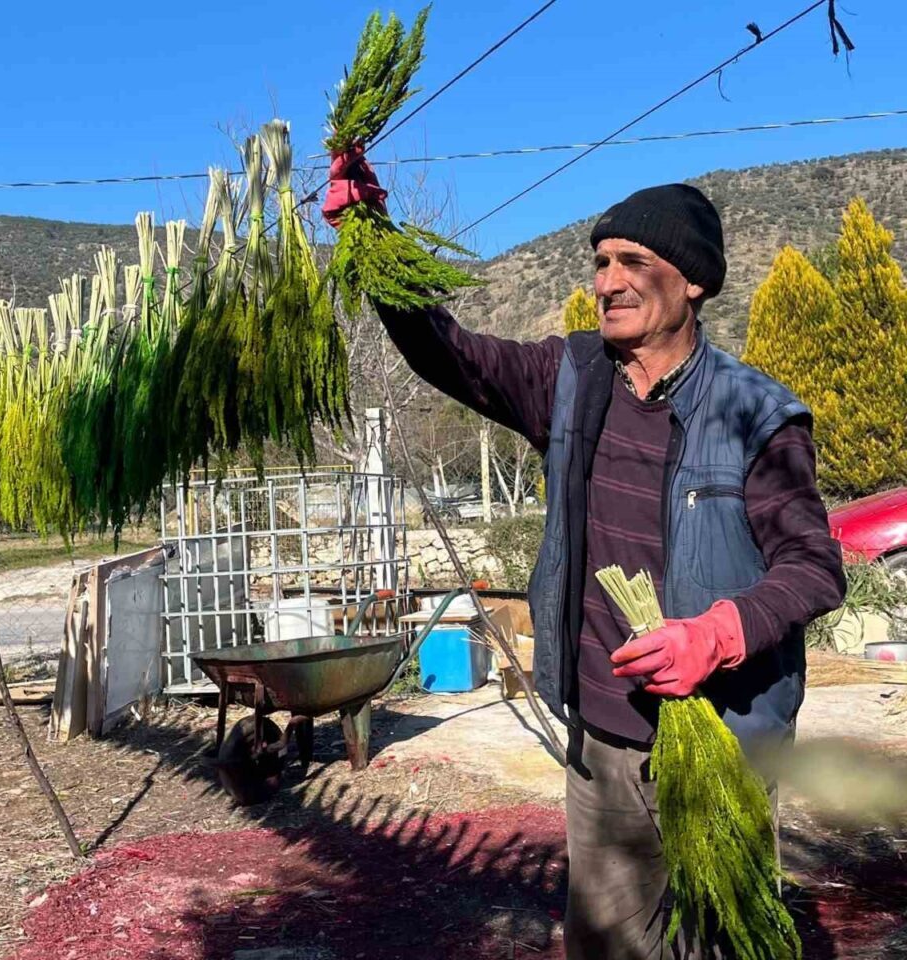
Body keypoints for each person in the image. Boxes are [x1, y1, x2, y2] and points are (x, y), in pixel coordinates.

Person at [322, 159, 847, 959]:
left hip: (726, 736)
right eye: (600, 262)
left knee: (720, 940)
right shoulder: (569, 379)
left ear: (694, 282)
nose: (608, 281)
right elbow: (448, 353)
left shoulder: (755, 413)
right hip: (605, 736)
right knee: (607, 944)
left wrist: (716, 634)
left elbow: (812, 567)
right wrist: (371, 239)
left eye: (634, 261)